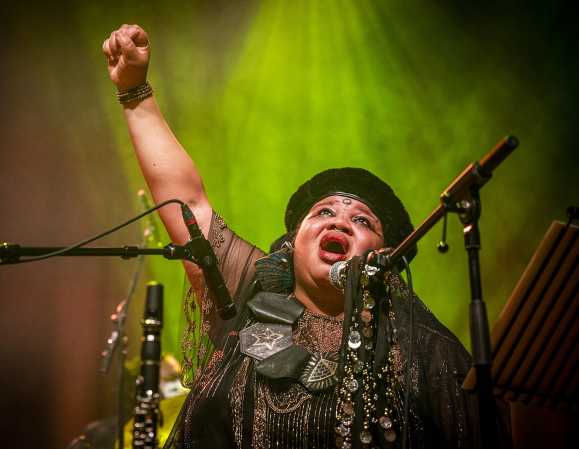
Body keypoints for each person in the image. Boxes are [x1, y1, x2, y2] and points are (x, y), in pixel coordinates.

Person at [102, 24, 510, 449]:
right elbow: (188, 204)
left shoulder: (421, 348)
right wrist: (135, 92)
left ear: (385, 255)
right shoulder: (246, 290)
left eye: (362, 221)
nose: (338, 222)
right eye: (324, 212)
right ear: (293, 241)